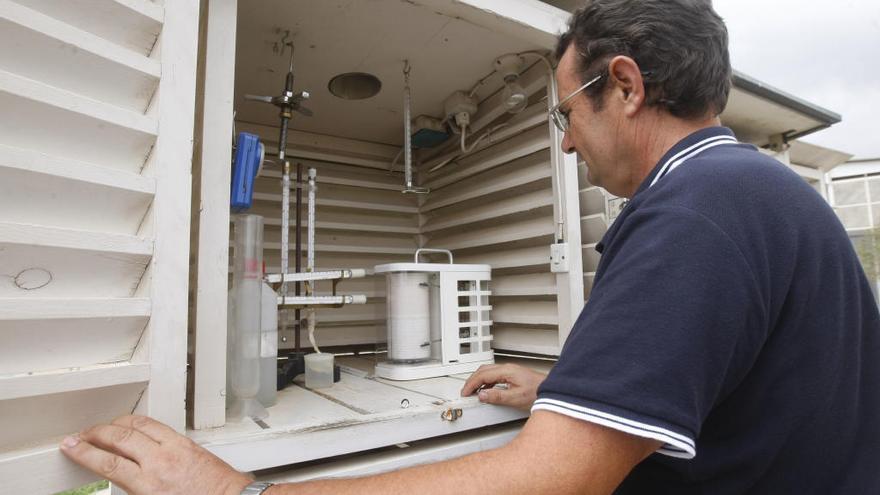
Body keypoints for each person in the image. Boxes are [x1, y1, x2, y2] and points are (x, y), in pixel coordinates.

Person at [60, 1, 879, 493]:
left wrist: (240, 489)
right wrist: (570, 388)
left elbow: (550, 481)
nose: (564, 145)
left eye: (566, 115)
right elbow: (748, 384)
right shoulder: (764, 194)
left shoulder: (697, 207)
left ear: (625, 86)